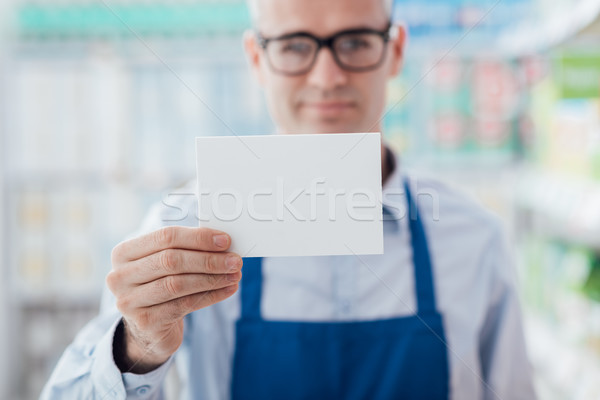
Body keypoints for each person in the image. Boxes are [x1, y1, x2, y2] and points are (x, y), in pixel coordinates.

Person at [42, 0, 537, 398]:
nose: (327, 77)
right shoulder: (180, 236)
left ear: (397, 51)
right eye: (296, 46)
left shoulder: (476, 240)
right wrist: (138, 349)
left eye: (355, 42)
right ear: (257, 58)